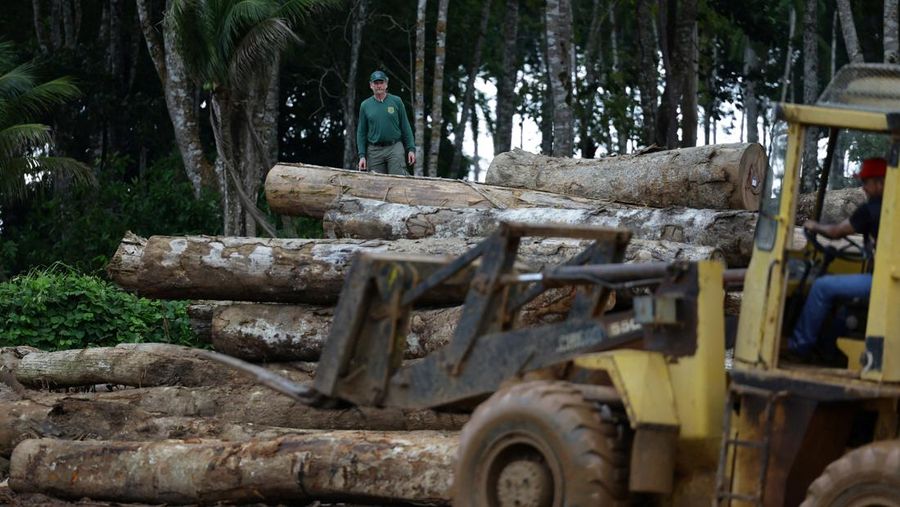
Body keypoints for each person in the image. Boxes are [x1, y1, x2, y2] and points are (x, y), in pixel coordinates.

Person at [786, 157, 887, 361]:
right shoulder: (890, 208)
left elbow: (836, 232)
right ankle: (829, 348)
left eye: (866, 182)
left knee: (822, 286)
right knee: (838, 292)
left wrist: (814, 226)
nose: (864, 188)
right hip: (885, 281)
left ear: (880, 183)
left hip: (882, 283)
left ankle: (799, 345)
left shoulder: (872, 209)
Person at [356, 70, 415, 175]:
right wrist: (362, 156)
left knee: (398, 178)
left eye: (381, 82)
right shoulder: (365, 105)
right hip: (374, 150)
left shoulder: (397, 101)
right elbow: (361, 132)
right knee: (376, 184)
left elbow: (405, 126)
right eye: (376, 83)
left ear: (386, 84)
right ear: (371, 85)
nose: (379, 86)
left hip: (394, 146)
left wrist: (411, 148)